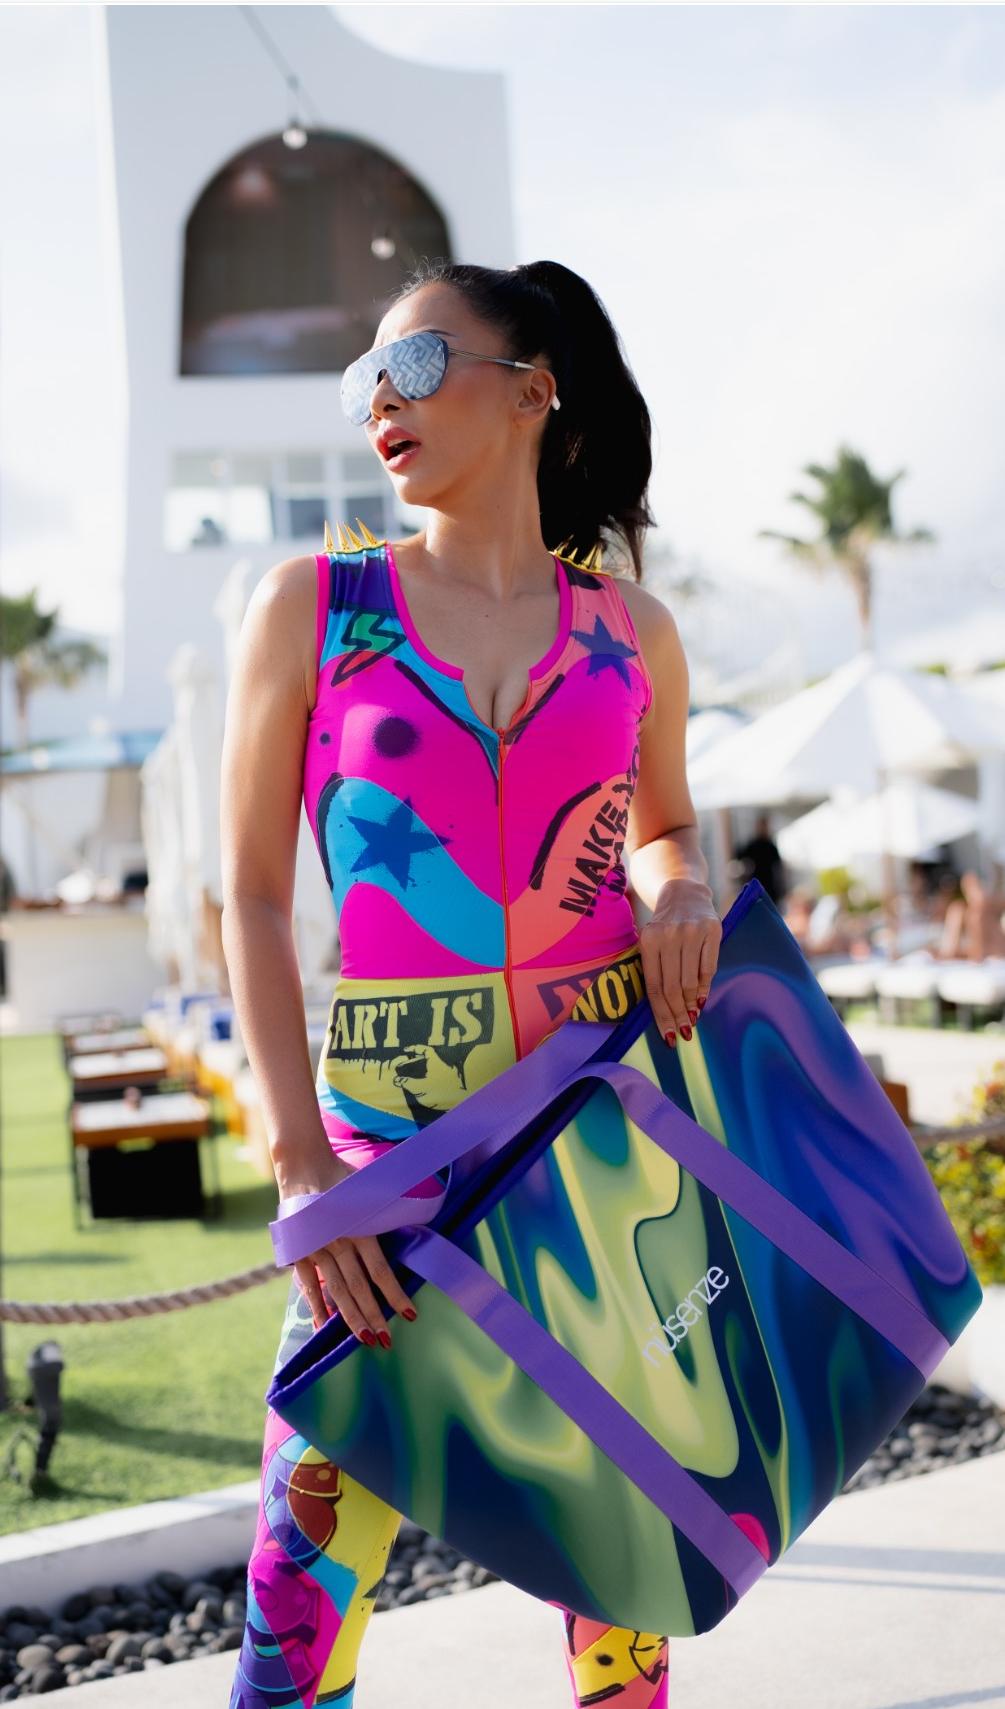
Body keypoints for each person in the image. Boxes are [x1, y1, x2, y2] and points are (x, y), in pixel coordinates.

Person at [220, 258, 724, 1708]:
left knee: (622, 1601)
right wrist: (301, 1163)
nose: (383, 398)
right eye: (365, 379)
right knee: (302, 1595)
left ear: (531, 391)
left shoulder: (633, 633)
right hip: (380, 1163)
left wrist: (679, 889)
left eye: (422, 365)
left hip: (594, 1147)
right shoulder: (313, 606)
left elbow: (666, 825)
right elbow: (252, 894)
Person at [733, 812, 787, 905]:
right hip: (757, 883)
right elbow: (739, 855)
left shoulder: (771, 846)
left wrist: (781, 885)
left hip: (769, 885)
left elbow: (778, 867)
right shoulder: (754, 845)